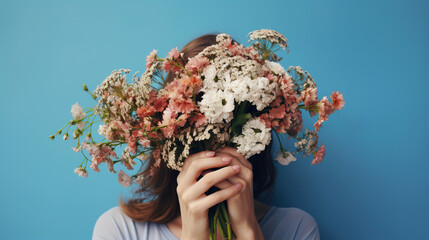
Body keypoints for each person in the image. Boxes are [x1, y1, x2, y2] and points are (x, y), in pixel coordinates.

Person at [92, 34, 320, 240]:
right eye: (196, 124)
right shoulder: (119, 229)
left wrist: (249, 230)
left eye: (231, 124)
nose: (216, 142)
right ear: (168, 130)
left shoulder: (296, 228)